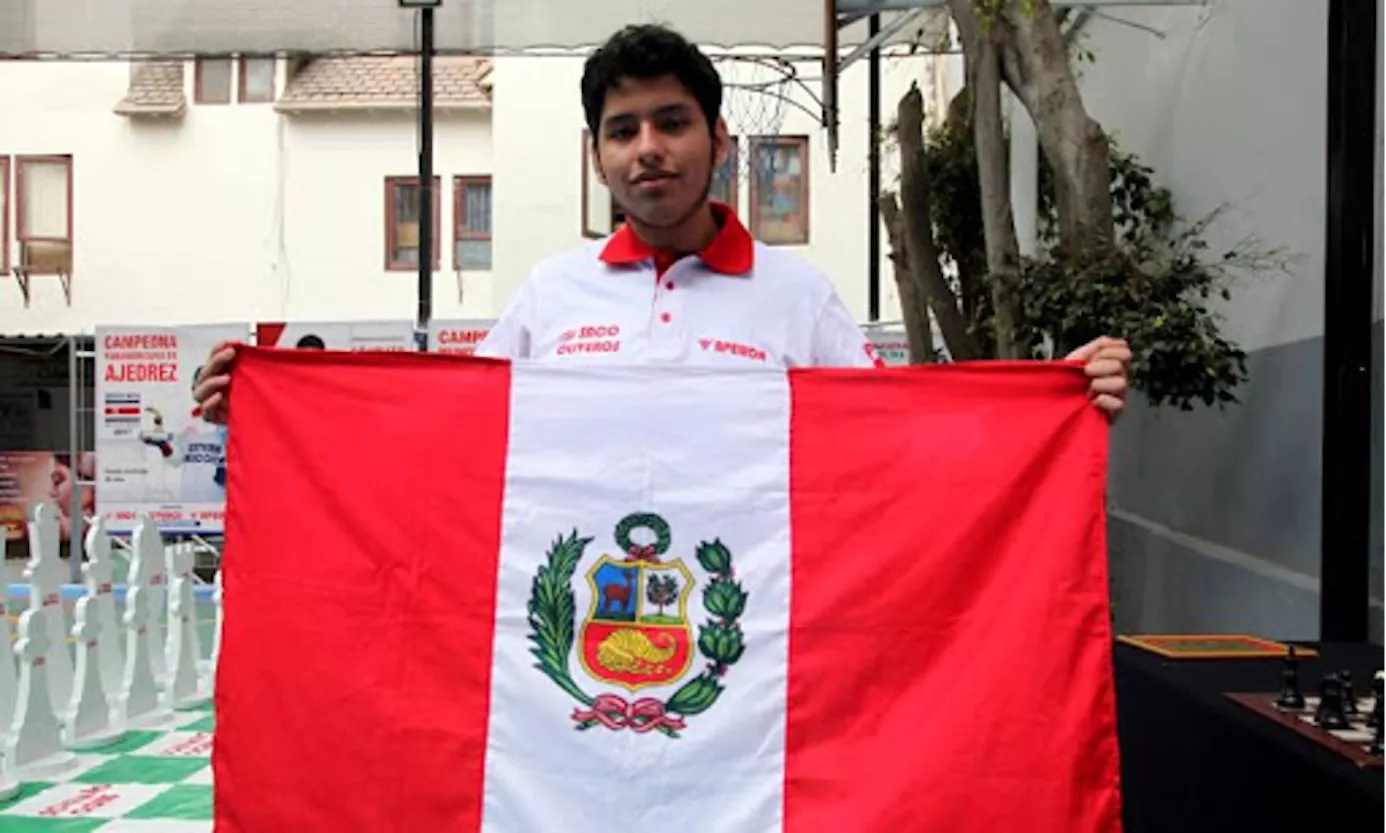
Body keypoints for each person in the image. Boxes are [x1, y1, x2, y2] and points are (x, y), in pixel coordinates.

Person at [192, 24, 1129, 421]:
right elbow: (443, 427)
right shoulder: (551, 296)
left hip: (746, 645)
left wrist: (1057, 396)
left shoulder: (799, 298)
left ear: (718, 141)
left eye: (672, 123)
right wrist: (276, 406)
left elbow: (902, 433)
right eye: (623, 130)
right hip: (577, 644)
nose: (648, 148)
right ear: (598, 158)